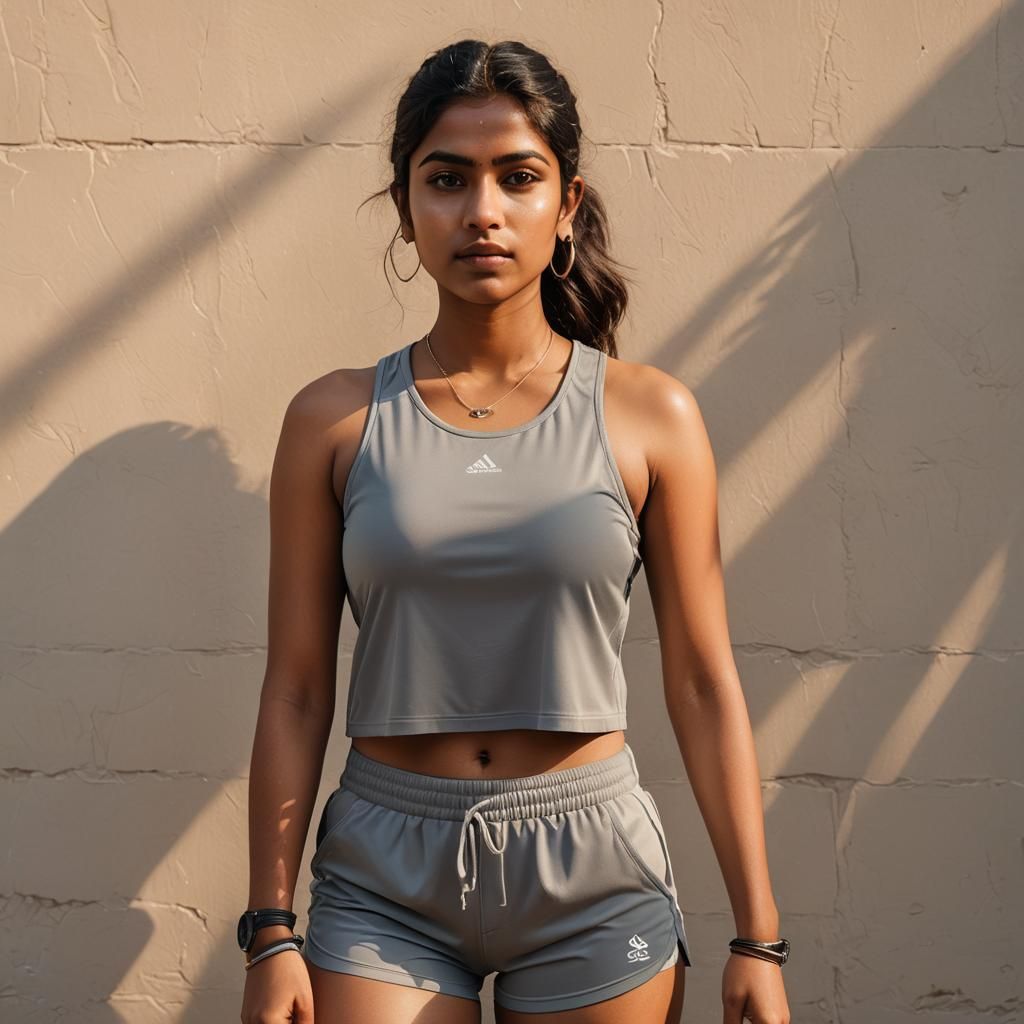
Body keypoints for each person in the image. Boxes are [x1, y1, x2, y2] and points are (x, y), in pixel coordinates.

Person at [239, 38, 792, 1024]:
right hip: (383, 871)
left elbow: (704, 680)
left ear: (565, 205)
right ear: (407, 207)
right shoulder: (333, 420)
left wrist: (758, 933)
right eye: (447, 179)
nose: (482, 211)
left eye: (517, 177)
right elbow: (295, 687)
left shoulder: (649, 414)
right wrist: (271, 925)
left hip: (593, 868)